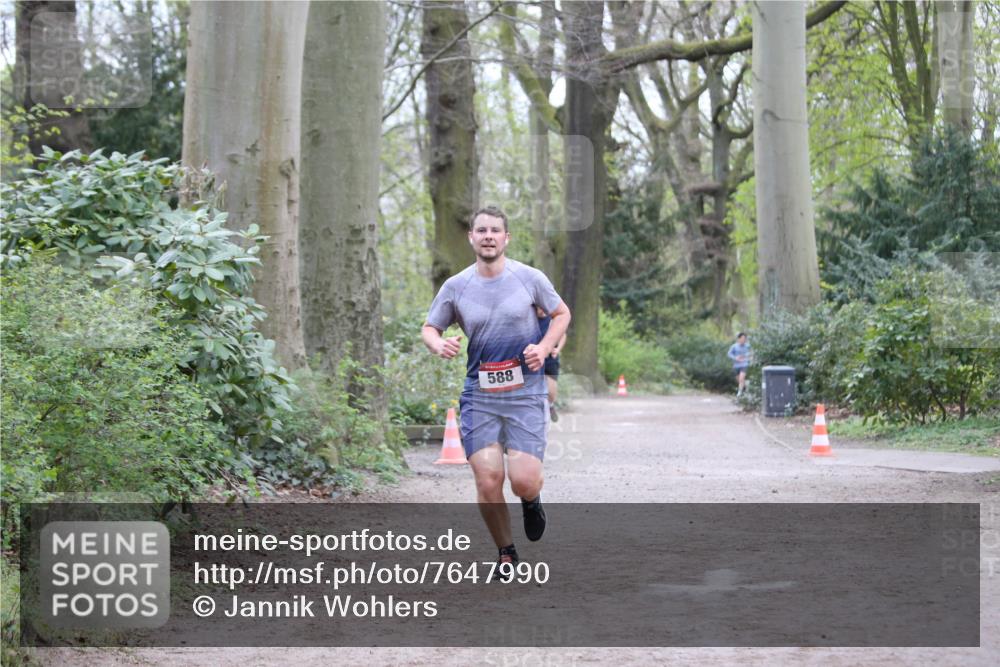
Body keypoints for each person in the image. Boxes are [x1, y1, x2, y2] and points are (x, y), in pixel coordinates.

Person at [422, 205, 571, 575]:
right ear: (471, 237)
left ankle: (531, 500)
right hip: (480, 393)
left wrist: (544, 346)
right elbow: (430, 327)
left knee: (522, 480)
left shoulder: (529, 277)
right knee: (488, 478)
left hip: (525, 393)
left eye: (495, 231)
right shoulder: (456, 286)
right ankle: (506, 552)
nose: (488, 236)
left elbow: (562, 314)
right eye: (481, 230)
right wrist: (438, 344)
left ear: (506, 238)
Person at [535, 306, 567, 422]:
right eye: (539, 308)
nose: (542, 310)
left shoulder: (553, 320)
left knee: (551, 392)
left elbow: (563, 335)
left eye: (544, 308)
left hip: (550, 358)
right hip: (534, 358)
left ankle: (551, 405)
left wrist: (558, 349)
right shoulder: (530, 320)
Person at [727, 332, 751, 396]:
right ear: (739, 339)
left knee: (741, 378)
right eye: (742, 338)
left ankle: (739, 393)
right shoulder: (734, 346)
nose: (744, 340)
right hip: (736, 365)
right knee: (739, 380)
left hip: (744, 364)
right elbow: (729, 354)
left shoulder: (748, 346)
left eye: (745, 339)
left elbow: (751, 353)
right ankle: (746, 385)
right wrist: (735, 358)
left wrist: (746, 356)